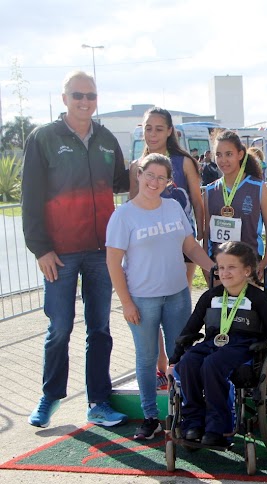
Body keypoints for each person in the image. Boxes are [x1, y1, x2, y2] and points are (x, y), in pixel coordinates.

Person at [21, 70, 129, 428]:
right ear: (64, 98)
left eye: (91, 96)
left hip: (101, 252)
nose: (85, 102)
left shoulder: (106, 138)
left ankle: (98, 401)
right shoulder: (43, 138)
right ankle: (50, 396)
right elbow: (30, 197)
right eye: (78, 95)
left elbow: (123, 182)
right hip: (60, 253)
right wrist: (41, 249)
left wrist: (165, 162)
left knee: (99, 327)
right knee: (60, 328)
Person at [106, 154, 215, 440]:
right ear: (139, 175)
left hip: (177, 294)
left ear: (169, 182)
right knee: (147, 358)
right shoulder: (123, 215)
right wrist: (126, 303)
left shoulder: (172, 207)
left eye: (161, 177)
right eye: (149, 175)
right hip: (142, 300)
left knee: (182, 356)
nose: (154, 182)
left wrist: (214, 269)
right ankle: (150, 417)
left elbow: (189, 246)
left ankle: (187, 414)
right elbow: (113, 262)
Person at [170, 241, 267, 447]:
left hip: (245, 346)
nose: (225, 273)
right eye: (221, 267)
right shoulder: (210, 297)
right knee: (188, 363)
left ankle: (219, 427)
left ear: (247, 271)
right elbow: (189, 330)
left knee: (212, 364)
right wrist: (174, 360)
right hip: (213, 343)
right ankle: (194, 422)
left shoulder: (259, 299)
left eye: (231, 267)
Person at [128, 107, 205, 388]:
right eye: (149, 128)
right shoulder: (137, 165)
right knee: (150, 307)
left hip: (182, 243)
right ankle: (160, 366)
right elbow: (131, 203)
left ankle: (177, 365)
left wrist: (203, 236)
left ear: (170, 131)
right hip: (148, 246)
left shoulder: (183, 162)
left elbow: (197, 201)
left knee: (175, 304)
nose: (153, 133)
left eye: (159, 128)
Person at [204, 130, 267, 283]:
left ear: (240, 155)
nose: (223, 160)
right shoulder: (210, 191)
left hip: (249, 265)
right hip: (220, 268)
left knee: (248, 307)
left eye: (229, 154)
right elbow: (207, 233)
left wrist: (266, 259)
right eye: (218, 154)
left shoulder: (257, 187)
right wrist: (207, 266)